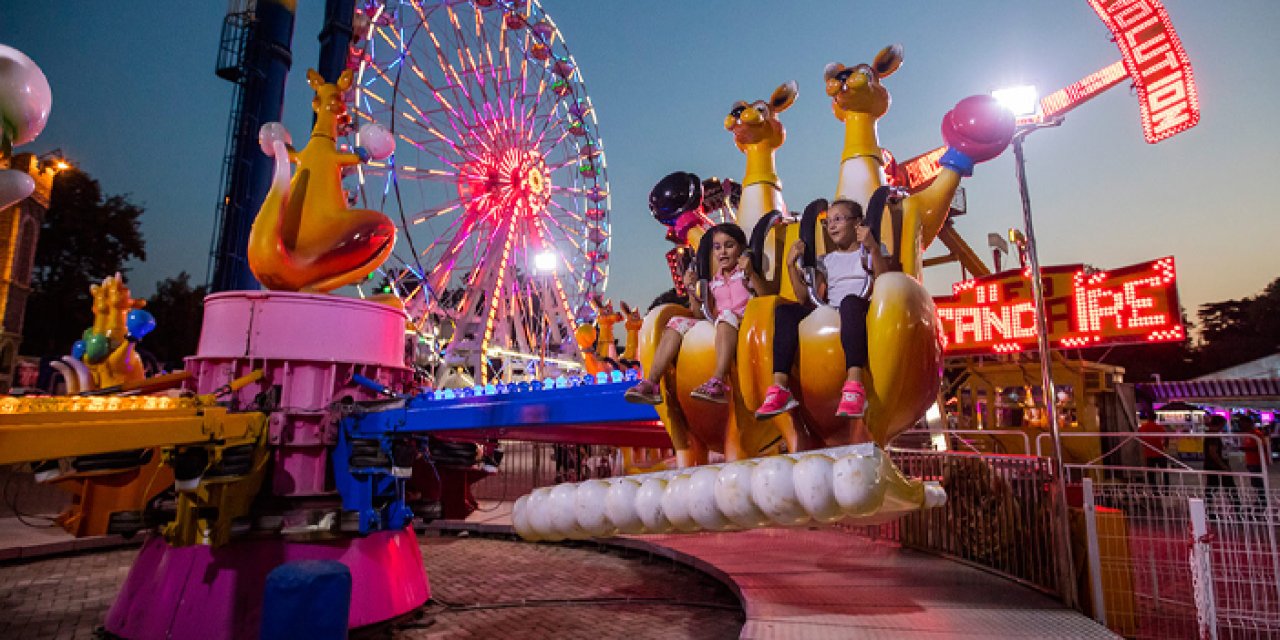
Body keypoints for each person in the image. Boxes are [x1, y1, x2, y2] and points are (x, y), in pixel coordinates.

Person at [755, 199, 888, 441]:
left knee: (848, 302)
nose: (832, 226)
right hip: (831, 309)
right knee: (785, 312)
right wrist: (790, 266)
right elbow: (806, 297)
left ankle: (855, 384)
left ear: (857, 223)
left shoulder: (870, 250)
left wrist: (874, 248)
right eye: (828, 222)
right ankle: (780, 386)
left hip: (860, 307)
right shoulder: (826, 261)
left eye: (839, 219)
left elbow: (884, 282)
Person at [625, 223, 764, 405]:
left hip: (746, 322)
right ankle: (652, 382)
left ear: (742, 249)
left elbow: (765, 296)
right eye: (717, 247)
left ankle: (719, 381)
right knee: (676, 322)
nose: (722, 252)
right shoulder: (714, 281)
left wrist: (751, 273)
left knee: (727, 316)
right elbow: (700, 316)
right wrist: (692, 290)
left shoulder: (745, 273)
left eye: (729, 246)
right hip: (721, 323)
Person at [1238, 414, 1268, 504]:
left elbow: (1262, 447)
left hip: (1257, 462)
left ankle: (1263, 500)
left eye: (1242, 423)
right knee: (1255, 482)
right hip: (1251, 462)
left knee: (1258, 482)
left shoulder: (1256, 434)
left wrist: (1246, 449)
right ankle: (1261, 499)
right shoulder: (1249, 434)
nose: (1241, 425)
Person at [1203, 414, 1233, 499]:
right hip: (1216, 465)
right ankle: (1237, 507)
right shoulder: (1214, 435)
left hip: (1211, 464)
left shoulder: (1210, 434)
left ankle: (1207, 507)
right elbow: (1213, 452)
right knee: (1229, 487)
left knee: (1212, 487)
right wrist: (1223, 466)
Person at [1137, 411, 1169, 485]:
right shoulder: (1159, 427)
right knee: (1165, 472)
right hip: (1159, 452)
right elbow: (1166, 437)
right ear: (1155, 418)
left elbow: (1138, 437)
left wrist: (1144, 445)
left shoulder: (1142, 428)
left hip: (1149, 453)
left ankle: (1154, 491)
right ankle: (1166, 488)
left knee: (1151, 474)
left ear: (1148, 418)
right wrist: (1165, 445)